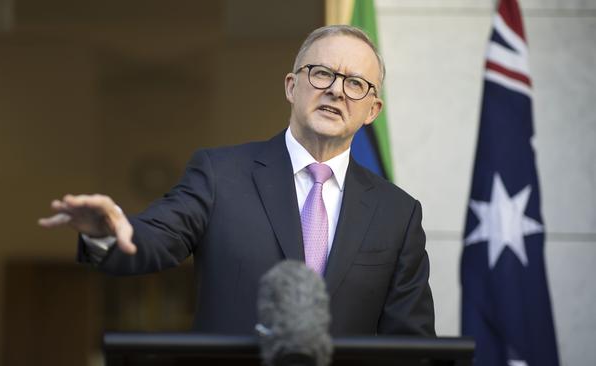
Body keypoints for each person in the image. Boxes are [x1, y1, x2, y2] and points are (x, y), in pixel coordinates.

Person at [39, 25, 435, 336]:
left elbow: (412, 340)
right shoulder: (220, 174)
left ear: (372, 110)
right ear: (291, 86)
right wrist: (108, 231)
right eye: (322, 73)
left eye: (354, 83)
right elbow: (155, 238)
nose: (335, 90)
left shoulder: (397, 213)